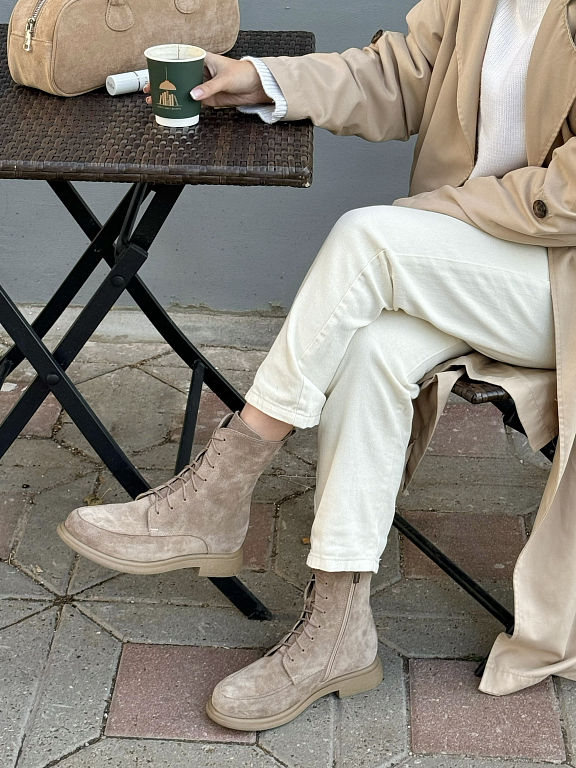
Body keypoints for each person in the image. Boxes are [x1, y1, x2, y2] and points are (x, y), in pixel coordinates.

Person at [57, 0, 576, 732]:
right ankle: (338, 625)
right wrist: (263, 79)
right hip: (474, 257)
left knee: (369, 239)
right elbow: (401, 75)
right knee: (371, 349)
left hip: (558, 278)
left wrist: (435, 217)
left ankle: (218, 491)